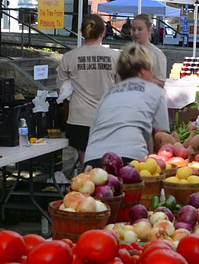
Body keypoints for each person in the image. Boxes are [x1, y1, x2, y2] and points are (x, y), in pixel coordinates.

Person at [83, 43, 169, 168]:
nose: (152, 73)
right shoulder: (156, 91)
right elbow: (161, 137)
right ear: (142, 71)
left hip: (94, 157)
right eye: (151, 68)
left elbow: (94, 130)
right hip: (131, 156)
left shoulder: (108, 94)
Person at [57, 14, 119, 169]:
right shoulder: (115, 57)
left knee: (88, 171)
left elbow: (61, 91)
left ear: (81, 32)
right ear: (103, 33)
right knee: (108, 166)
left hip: (80, 118)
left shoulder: (69, 57)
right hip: (107, 117)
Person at [132, 14, 167, 88]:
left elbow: (161, 83)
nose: (136, 33)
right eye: (133, 29)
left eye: (140, 29)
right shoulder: (128, 52)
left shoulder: (156, 54)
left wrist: (144, 78)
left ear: (149, 30)